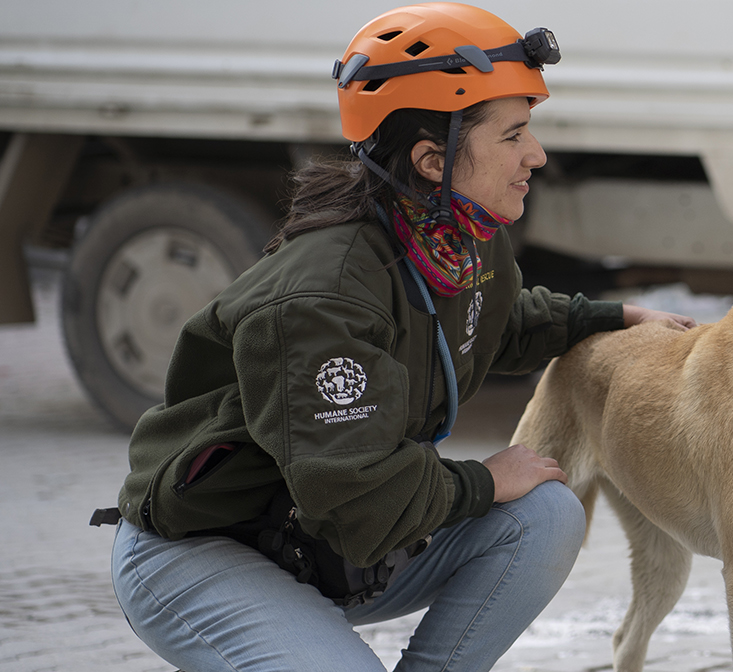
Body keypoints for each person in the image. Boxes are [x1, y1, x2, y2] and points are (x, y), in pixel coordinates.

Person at [102, 4, 695, 670]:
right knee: (511, 495)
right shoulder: (324, 299)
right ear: (432, 159)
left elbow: (491, 323)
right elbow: (361, 498)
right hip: (205, 550)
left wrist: (610, 318)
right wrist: (481, 481)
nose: (536, 154)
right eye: (513, 135)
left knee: (548, 513)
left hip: (317, 541)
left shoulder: (453, 243)